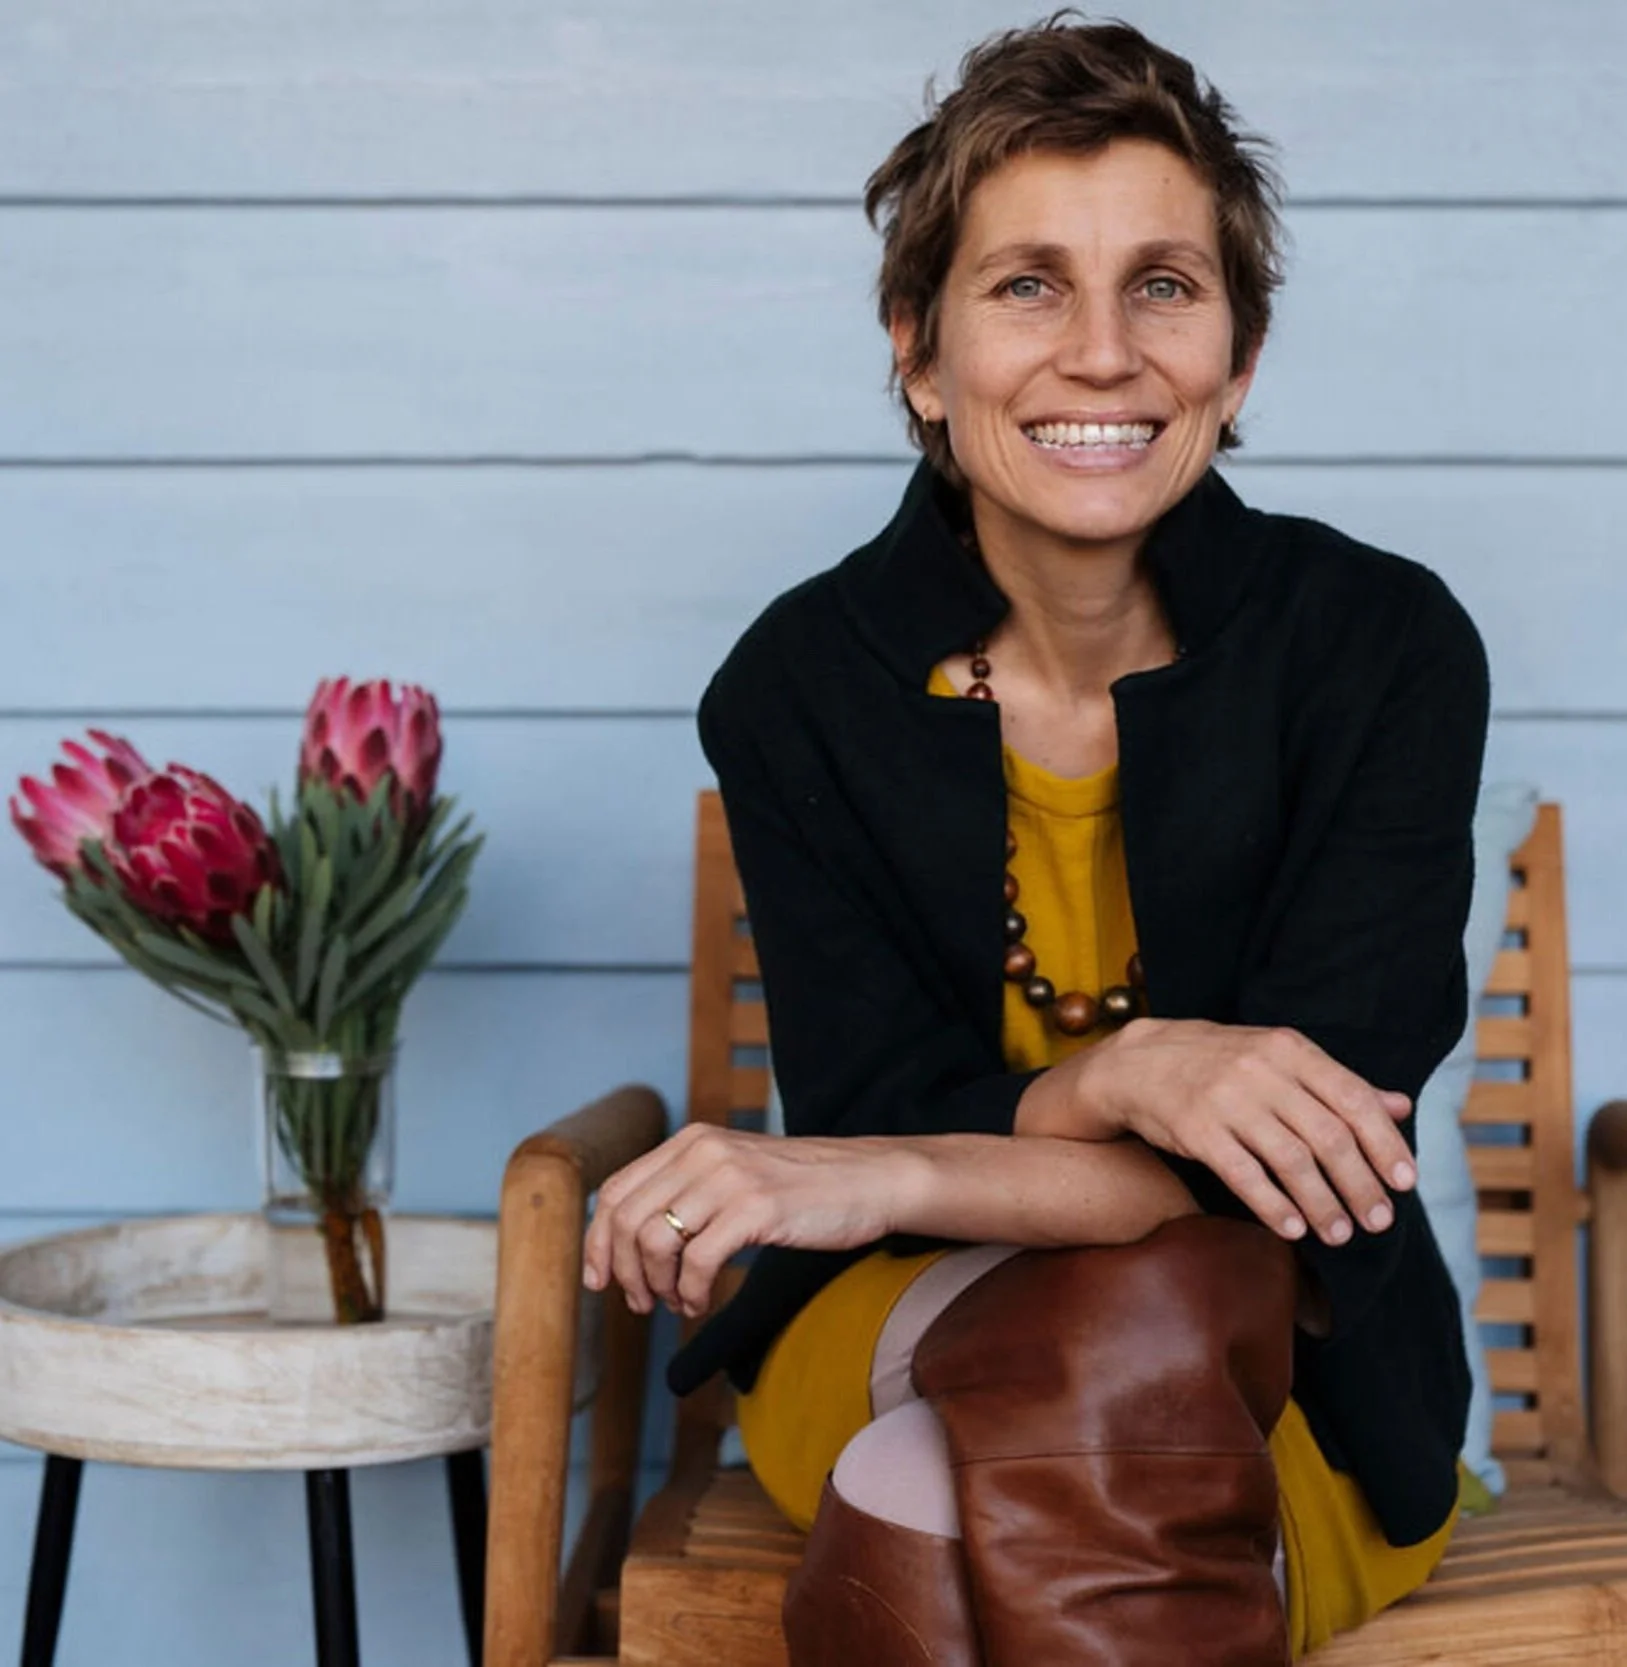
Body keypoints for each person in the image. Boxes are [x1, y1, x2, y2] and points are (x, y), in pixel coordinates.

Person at [582, 17, 1486, 1664]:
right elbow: (868, 1099)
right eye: (1025, 287)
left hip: (1286, 1370)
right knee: (1116, 1338)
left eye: (1161, 282)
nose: (1100, 353)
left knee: (990, 1457)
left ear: (1240, 349)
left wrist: (895, 1164)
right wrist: (1131, 1078)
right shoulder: (799, 689)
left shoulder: (1382, 649)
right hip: (901, 1311)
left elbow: (1294, 1166)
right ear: (919, 352)